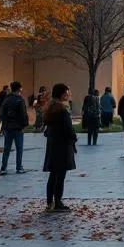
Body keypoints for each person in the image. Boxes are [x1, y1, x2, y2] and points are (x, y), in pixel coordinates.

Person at [41, 83, 77, 212]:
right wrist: (74, 138)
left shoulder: (51, 108)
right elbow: (68, 129)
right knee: (60, 175)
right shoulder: (62, 110)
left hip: (53, 145)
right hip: (62, 146)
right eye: (67, 92)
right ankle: (58, 202)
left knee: (53, 174)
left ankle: (50, 202)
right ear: (62, 94)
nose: (68, 94)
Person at [0, 81, 29, 174]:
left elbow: (2, 113)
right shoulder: (20, 100)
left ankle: (3, 168)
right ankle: (19, 167)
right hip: (18, 128)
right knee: (19, 149)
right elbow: (23, 114)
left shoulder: (6, 99)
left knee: (6, 148)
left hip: (8, 127)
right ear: (19, 88)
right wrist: (24, 125)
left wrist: (4, 125)